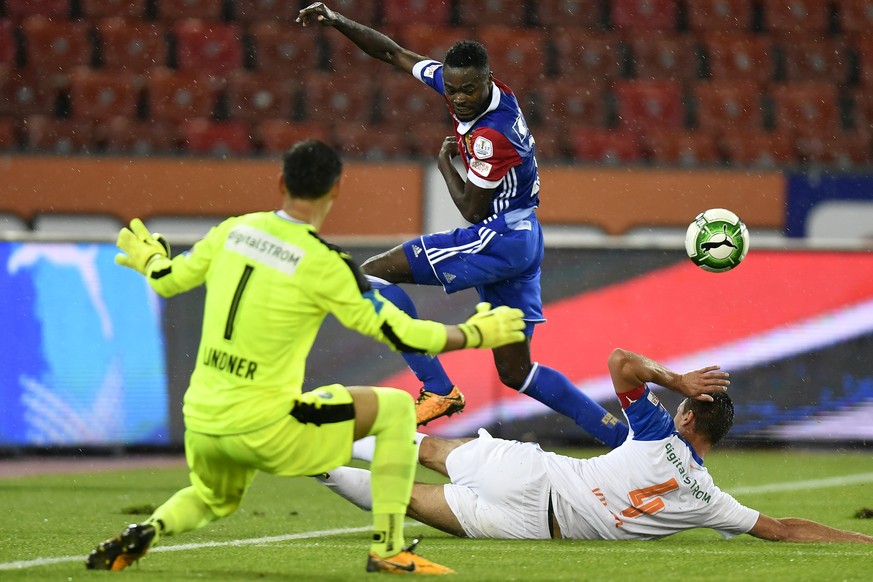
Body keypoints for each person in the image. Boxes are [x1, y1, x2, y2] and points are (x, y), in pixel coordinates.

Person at [85, 139, 527, 575]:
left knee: (213, 498)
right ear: (335, 191)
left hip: (201, 421)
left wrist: (150, 259)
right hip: (265, 425)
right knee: (394, 409)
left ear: (281, 182)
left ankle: (148, 529)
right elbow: (401, 330)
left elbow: (166, 280)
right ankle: (388, 550)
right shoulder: (325, 263)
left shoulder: (234, 230)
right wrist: (475, 332)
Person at [296, 3, 629, 447]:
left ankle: (437, 388)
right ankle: (623, 439)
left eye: (468, 91)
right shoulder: (467, 87)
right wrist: (338, 21)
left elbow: (472, 209)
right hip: (523, 236)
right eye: (452, 90)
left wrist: (445, 163)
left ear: (488, 82)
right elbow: (394, 54)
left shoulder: (494, 135)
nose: (458, 99)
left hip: (497, 237)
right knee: (516, 372)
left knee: (373, 273)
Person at [318, 348, 873, 544]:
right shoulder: (708, 499)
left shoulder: (656, 428)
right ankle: (313, 465)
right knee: (409, 499)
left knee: (429, 449)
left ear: (686, 413)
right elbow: (781, 529)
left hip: (533, 475)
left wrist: (676, 379)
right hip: (535, 529)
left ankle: (315, 426)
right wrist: (859, 540)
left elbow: (620, 361)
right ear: (719, 440)